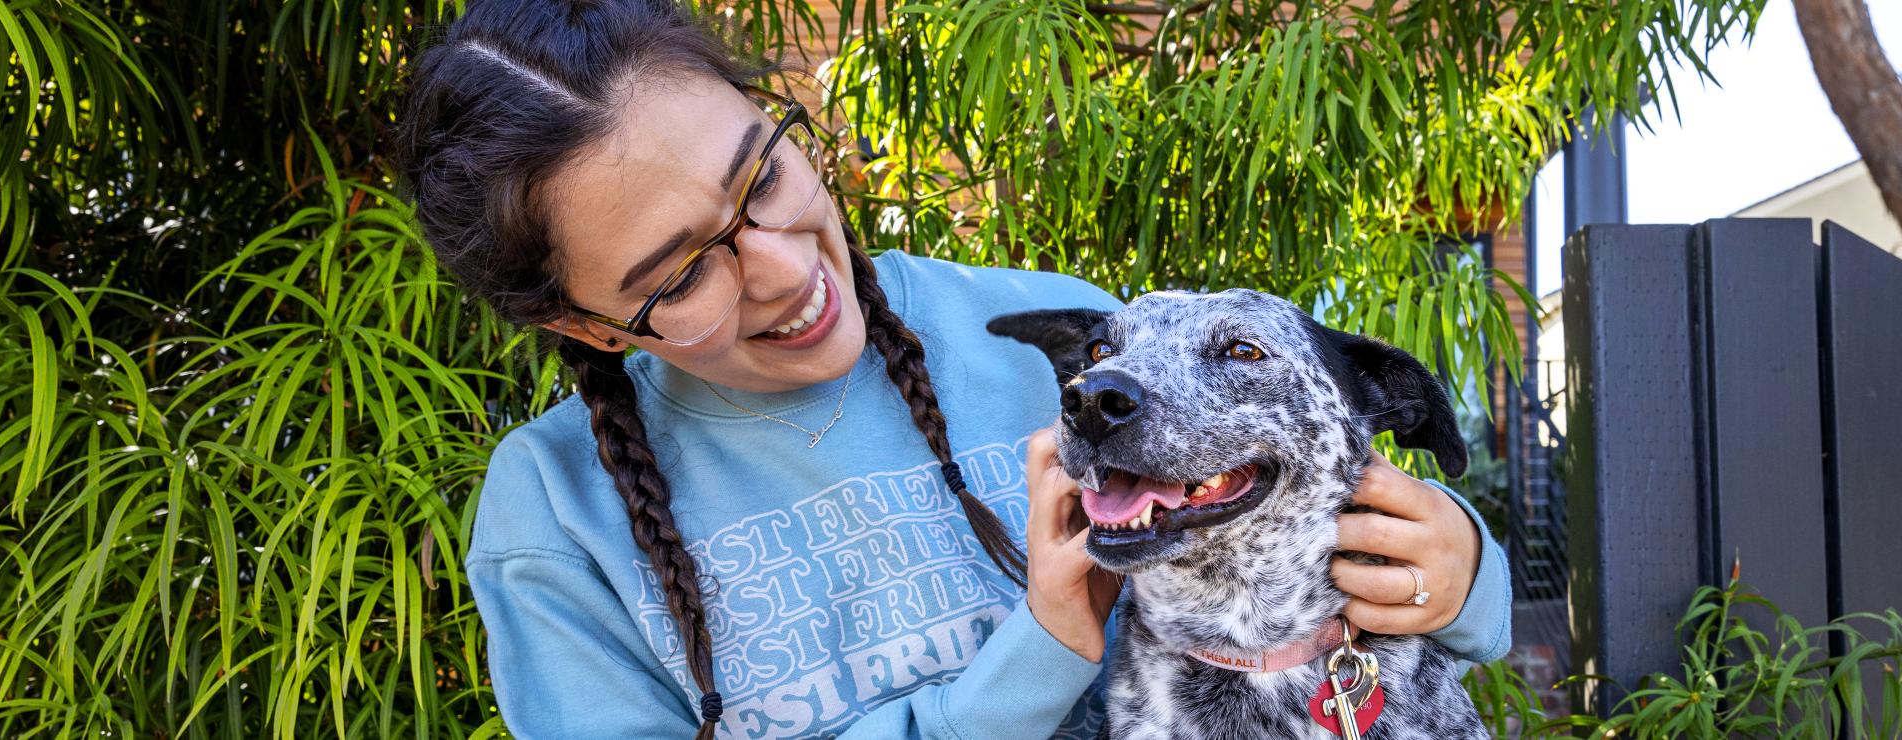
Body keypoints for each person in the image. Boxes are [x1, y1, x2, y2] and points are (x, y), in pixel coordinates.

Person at [392, 1, 1513, 737]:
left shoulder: (1060, 342)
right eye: (683, 271)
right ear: (591, 325)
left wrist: (1458, 568)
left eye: (763, 178)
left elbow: (1296, 480)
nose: (781, 271)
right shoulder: (557, 515)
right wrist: (1039, 649)